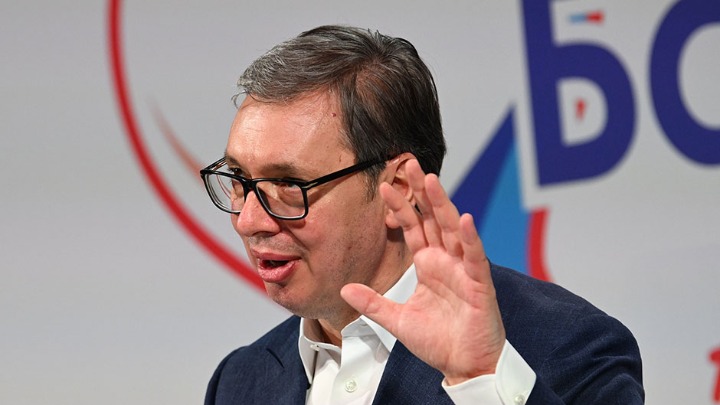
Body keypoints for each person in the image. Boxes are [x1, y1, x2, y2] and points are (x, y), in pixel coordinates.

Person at [200, 25, 644, 404]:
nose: (248, 221)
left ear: (398, 188)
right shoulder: (240, 382)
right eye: (238, 178)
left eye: (288, 185)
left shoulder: (571, 348)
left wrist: (481, 379)